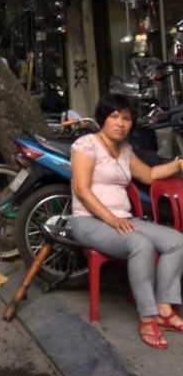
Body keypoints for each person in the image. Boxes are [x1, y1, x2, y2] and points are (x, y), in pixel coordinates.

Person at [70, 92, 183, 349]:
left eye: (127, 118)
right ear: (103, 118)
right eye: (114, 117)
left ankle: (164, 308)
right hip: (89, 221)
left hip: (123, 219)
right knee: (140, 244)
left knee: (176, 241)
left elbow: (150, 174)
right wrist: (110, 219)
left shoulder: (125, 150)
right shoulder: (86, 145)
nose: (121, 123)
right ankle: (147, 316)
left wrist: (178, 165)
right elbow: (81, 189)